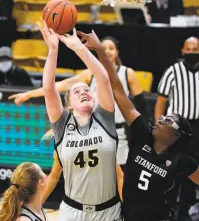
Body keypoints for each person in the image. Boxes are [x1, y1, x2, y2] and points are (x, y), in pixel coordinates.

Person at [75, 30, 199, 221]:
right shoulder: (142, 134)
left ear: (176, 135)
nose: (160, 119)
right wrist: (101, 51)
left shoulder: (182, 161)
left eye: (168, 121)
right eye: (162, 118)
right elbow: (119, 91)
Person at [8, 36, 147, 172]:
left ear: (117, 52)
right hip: (94, 133)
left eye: (111, 48)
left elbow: (142, 106)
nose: (107, 51)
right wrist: (28, 94)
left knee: (120, 176)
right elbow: (61, 85)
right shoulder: (90, 74)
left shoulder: (128, 73)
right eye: (103, 48)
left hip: (119, 133)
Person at [39, 22, 122, 221]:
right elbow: (49, 89)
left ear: (94, 98)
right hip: (72, 212)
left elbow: (102, 78)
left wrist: (78, 47)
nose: (83, 91)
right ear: (69, 105)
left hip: (108, 212)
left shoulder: (104, 118)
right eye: (77, 91)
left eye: (86, 89)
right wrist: (53, 50)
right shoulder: (62, 125)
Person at [155, 36, 199, 220]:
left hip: (197, 126)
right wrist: (159, 130)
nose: (191, 52)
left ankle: (185, 212)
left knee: (193, 168)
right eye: (188, 49)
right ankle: (168, 208)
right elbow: (161, 101)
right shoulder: (172, 71)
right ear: (183, 51)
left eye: (195, 49)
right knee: (171, 167)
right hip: (174, 127)